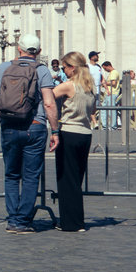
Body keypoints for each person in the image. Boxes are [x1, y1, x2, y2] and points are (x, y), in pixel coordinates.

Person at [0, 34, 60, 234]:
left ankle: (12, 219)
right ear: (39, 51)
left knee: (11, 175)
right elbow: (49, 103)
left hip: (9, 126)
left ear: (19, 49)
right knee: (31, 176)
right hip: (35, 126)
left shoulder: (4, 67)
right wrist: (55, 130)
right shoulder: (42, 70)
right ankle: (23, 221)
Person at [51, 52, 96, 234]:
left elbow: (47, 98)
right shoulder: (90, 87)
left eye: (65, 68)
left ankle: (70, 223)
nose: (63, 71)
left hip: (69, 132)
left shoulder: (68, 86)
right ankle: (77, 221)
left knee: (66, 180)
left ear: (73, 68)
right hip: (85, 134)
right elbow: (93, 110)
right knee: (76, 179)